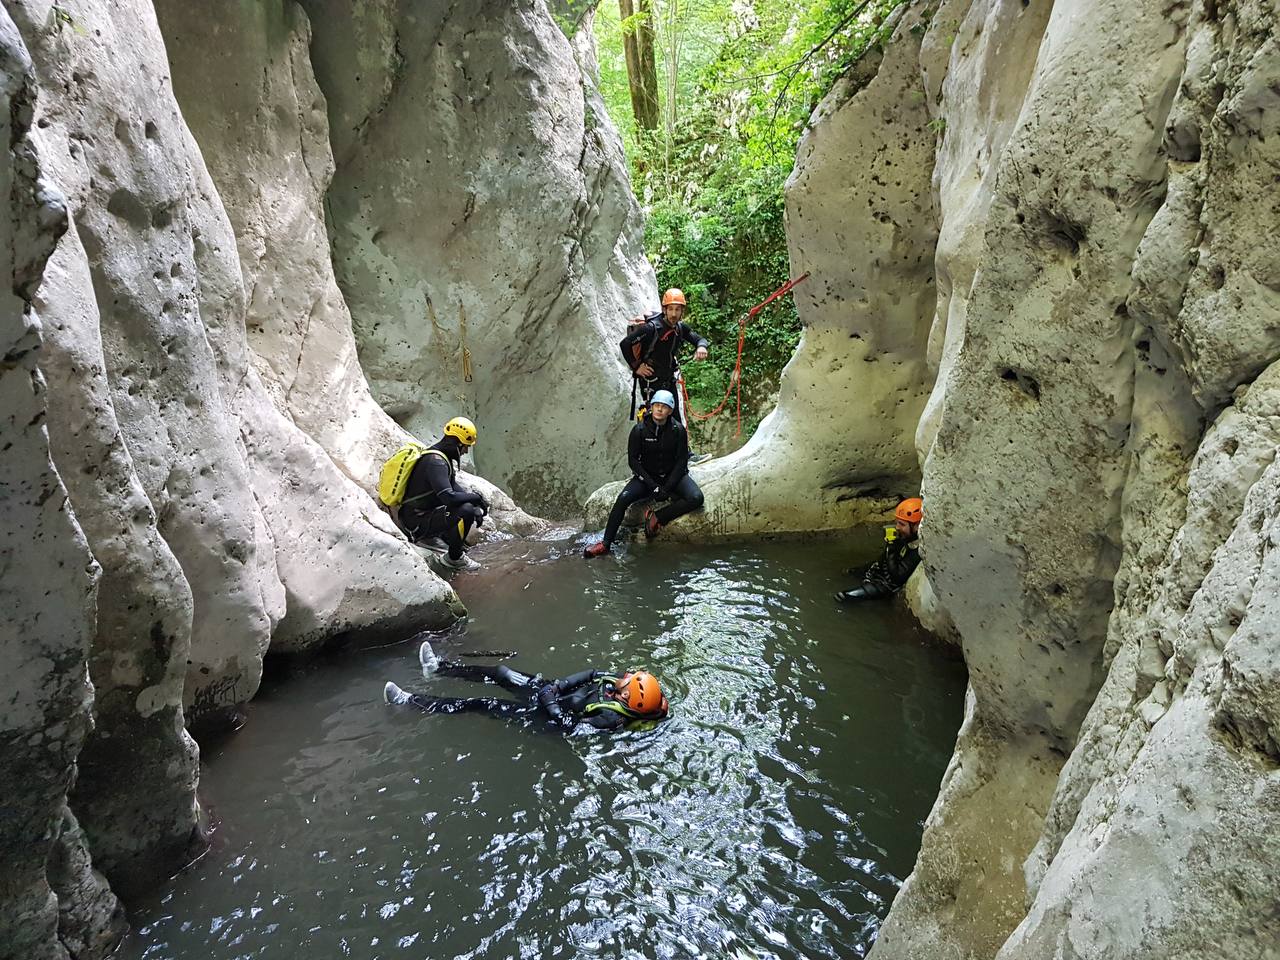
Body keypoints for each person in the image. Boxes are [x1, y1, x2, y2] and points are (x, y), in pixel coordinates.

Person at [383, 641, 670, 732]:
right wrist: (557, 686)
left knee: (484, 704)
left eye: (629, 680)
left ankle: (409, 701)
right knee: (500, 671)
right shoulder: (622, 687)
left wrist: (550, 703)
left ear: (626, 696)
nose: (626, 674)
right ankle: (438, 667)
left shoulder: (611, 718)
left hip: (542, 714)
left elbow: (568, 726)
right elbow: (593, 672)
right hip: (551, 691)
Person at [583, 389, 704, 558]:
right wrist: (653, 486)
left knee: (696, 497)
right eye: (656, 406)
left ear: (670, 411)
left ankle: (658, 517)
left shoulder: (678, 430)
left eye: (664, 407)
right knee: (623, 498)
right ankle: (605, 544)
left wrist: (667, 487)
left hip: (672, 476)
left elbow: (681, 461)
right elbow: (633, 461)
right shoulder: (639, 431)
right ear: (651, 407)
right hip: (648, 478)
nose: (660, 409)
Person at [397, 417, 489, 570]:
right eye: (465, 446)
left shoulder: (439, 456)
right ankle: (454, 559)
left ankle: (448, 543)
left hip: (423, 514)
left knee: (468, 508)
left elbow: (452, 486)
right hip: (415, 522)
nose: (466, 451)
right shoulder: (436, 462)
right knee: (465, 511)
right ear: (457, 443)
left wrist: (476, 504)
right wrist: (476, 498)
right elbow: (449, 498)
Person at [620, 288, 709, 430]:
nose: (674, 314)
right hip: (651, 379)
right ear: (664, 310)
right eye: (671, 309)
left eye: (677, 309)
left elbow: (699, 339)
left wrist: (701, 347)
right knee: (658, 420)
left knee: (675, 419)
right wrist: (637, 366)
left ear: (682, 311)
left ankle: (684, 452)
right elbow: (625, 344)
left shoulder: (680, 328)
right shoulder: (652, 328)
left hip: (668, 378)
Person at [835, 498, 923, 602]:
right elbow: (882, 561)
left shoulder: (918, 550)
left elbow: (897, 577)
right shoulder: (905, 538)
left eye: (902, 524)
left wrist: (891, 549)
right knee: (848, 573)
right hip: (878, 573)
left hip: (885, 585)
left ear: (917, 526)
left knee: (842, 597)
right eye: (897, 523)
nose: (897, 527)